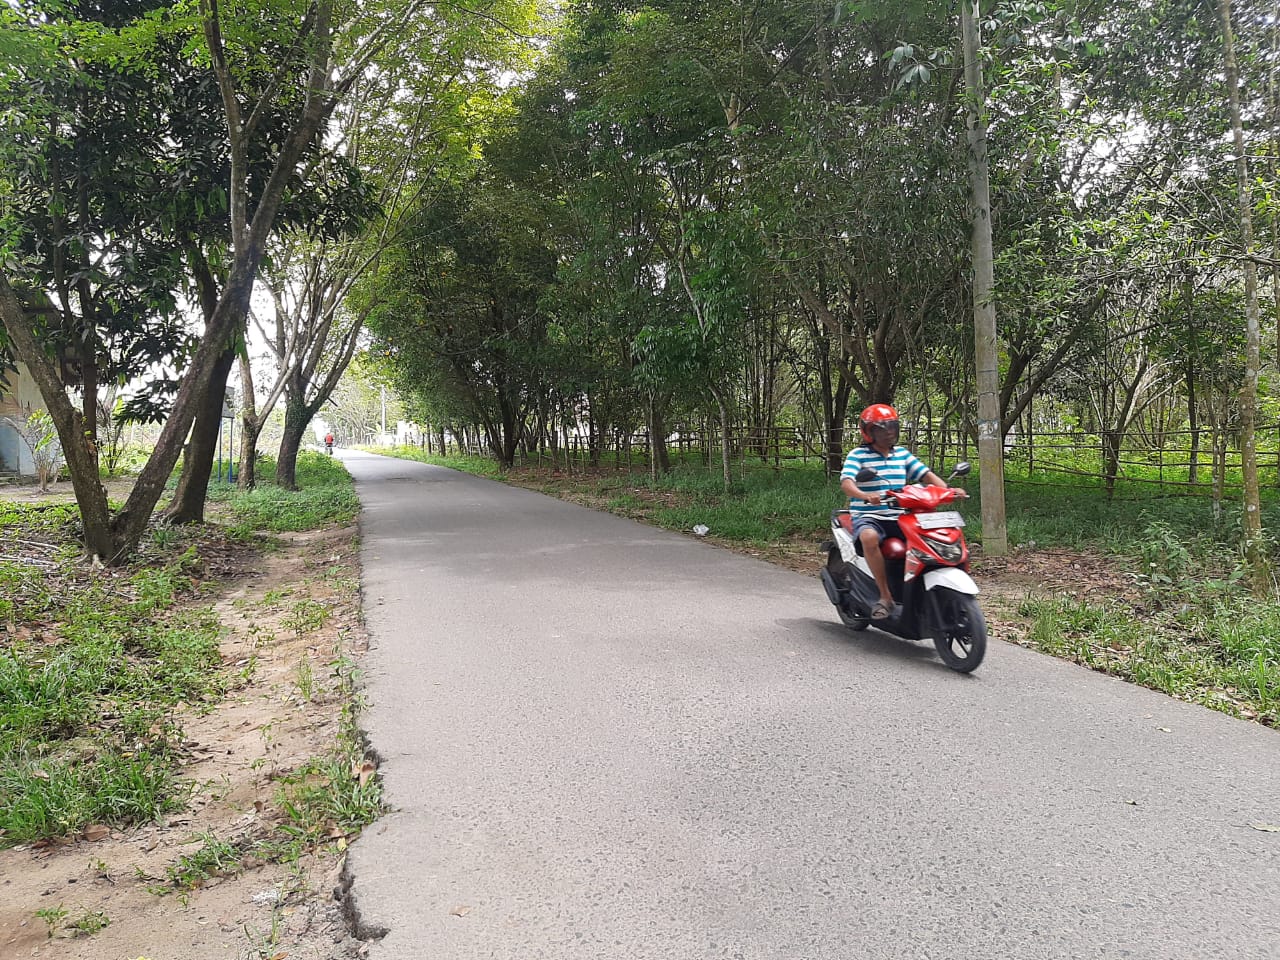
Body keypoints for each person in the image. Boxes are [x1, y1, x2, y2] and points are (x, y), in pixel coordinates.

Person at [839, 403, 954, 621]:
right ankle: (885, 597)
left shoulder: (901, 454)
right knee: (868, 536)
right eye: (882, 428)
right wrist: (864, 496)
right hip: (870, 515)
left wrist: (947, 491)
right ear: (869, 432)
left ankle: (923, 592)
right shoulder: (858, 455)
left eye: (892, 426)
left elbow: (926, 475)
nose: (889, 431)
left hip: (902, 516)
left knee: (931, 540)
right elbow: (847, 483)